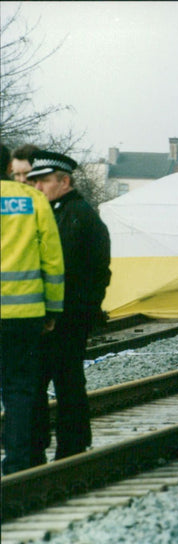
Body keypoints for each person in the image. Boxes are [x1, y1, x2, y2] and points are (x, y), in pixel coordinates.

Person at [27, 151, 112, 460]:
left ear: (64, 181)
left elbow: (95, 272)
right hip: (45, 315)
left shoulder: (79, 216)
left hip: (68, 317)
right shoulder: (50, 213)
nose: (37, 188)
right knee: (43, 382)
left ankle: (70, 447)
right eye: (34, 181)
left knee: (66, 382)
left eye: (44, 181)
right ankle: (46, 446)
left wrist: (79, 313)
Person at [1, 144, 65, 474]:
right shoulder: (34, 200)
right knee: (20, 390)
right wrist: (52, 310)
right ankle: (18, 463)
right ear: (8, 166)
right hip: (25, 316)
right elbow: (52, 261)